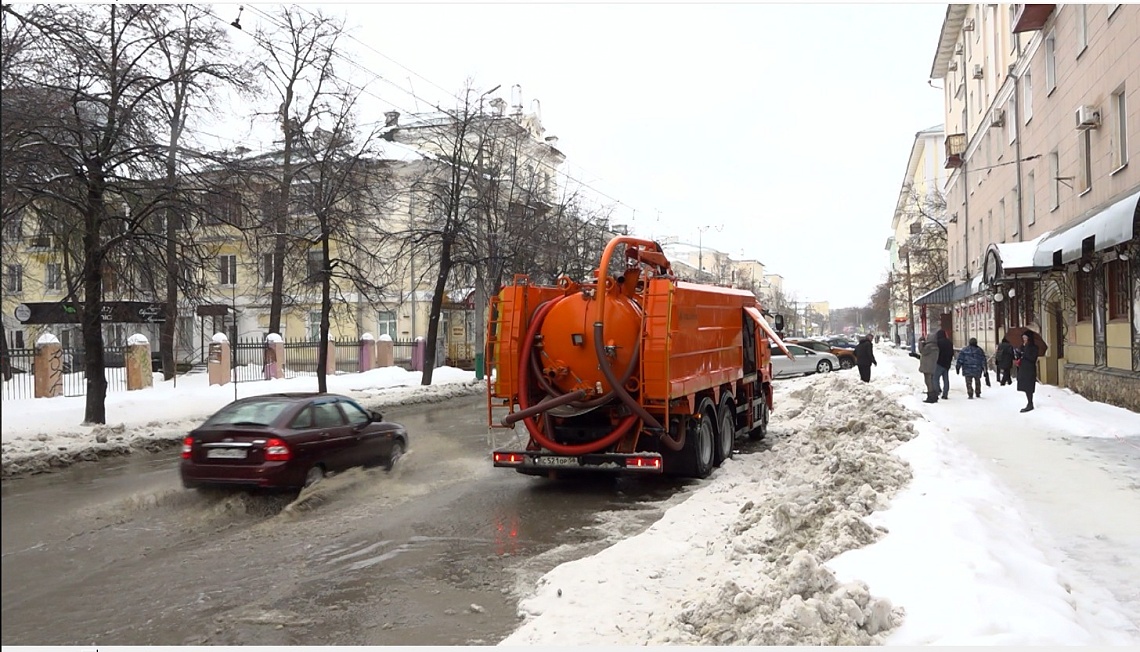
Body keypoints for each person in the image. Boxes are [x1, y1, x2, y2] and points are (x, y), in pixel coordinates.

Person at [910, 336, 941, 403]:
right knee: (931, 381)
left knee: (928, 381)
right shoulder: (935, 347)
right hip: (932, 366)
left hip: (927, 366)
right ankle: (934, 395)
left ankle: (931, 396)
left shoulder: (929, 346)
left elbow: (922, 351)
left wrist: (920, 342)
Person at [1015, 331, 1039, 412]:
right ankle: (1029, 402)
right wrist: (1018, 353)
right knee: (1024, 386)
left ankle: (1030, 403)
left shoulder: (1034, 347)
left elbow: (1033, 358)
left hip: (1030, 369)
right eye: (1023, 338)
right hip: (1023, 369)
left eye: (1025, 338)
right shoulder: (1022, 346)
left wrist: (1024, 354)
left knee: (1029, 386)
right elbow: (1020, 357)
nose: (1024, 339)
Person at [935, 330, 954, 400]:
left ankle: (936, 392)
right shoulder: (949, 343)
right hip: (947, 364)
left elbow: (936, 353)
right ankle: (945, 394)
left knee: (935, 378)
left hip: (939, 363)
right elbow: (952, 353)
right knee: (946, 379)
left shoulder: (937, 343)